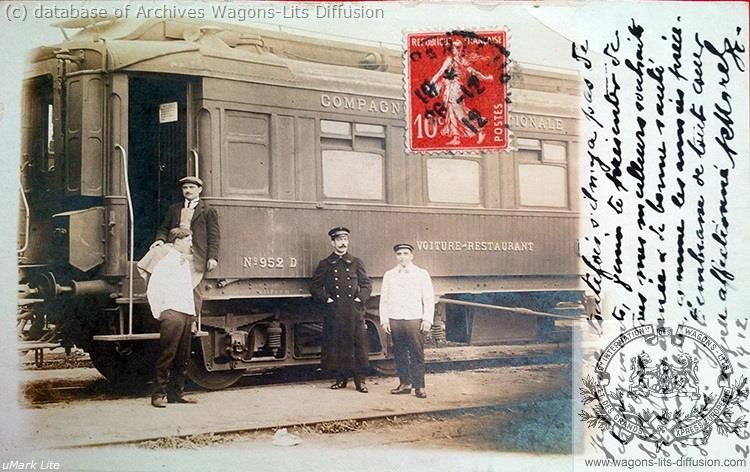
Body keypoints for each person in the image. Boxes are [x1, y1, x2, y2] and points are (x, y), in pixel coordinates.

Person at [139, 227, 198, 408]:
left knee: (183, 356)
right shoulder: (165, 262)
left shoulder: (184, 262)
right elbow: (154, 288)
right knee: (167, 354)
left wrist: (192, 316)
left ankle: (176, 394)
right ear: (178, 241)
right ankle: (158, 395)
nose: (191, 244)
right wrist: (161, 312)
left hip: (185, 313)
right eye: (188, 241)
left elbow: (187, 291)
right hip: (172, 313)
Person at [310, 227, 372, 393]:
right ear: (333, 243)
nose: (343, 243)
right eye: (339, 240)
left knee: (358, 346)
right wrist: (327, 299)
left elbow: (366, 285)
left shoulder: (357, 262)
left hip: (353, 311)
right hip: (335, 311)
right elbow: (315, 287)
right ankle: (341, 379)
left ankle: (360, 381)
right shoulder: (325, 264)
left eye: (345, 239)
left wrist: (359, 299)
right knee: (338, 345)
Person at [379, 243, 435, 399]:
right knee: (399, 352)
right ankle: (404, 383)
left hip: (414, 319)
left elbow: (428, 298)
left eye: (405, 253)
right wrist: (385, 320)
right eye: (399, 254)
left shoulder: (421, 274)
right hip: (396, 319)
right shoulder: (389, 275)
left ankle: (419, 386)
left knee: (417, 353)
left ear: (411, 256)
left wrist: (427, 319)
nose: (402, 257)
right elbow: (384, 299)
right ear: (396, 256)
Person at [151, 176, 220, 278]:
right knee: (155, 254)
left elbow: (213, 236)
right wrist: (160, 240)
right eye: (185, 188)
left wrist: (212, 258)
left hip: (194, 252)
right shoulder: (174, 208)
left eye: (191, 187)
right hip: (174, 247)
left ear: (199, 189)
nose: (188, 190)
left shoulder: (208, 210)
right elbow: (164, 228)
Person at [430, 38, 494, 145]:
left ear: (458, 49)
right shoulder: (450, 60)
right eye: (451, 48)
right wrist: (432, 82)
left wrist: (486, 78)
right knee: (451, 112)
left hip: (456, 89)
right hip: (450, 88)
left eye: (454, 48)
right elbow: (441, 71)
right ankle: (456, 137)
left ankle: (479, 130)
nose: (452, 50)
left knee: (459, 112)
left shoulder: (462, 61)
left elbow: (474, 72)